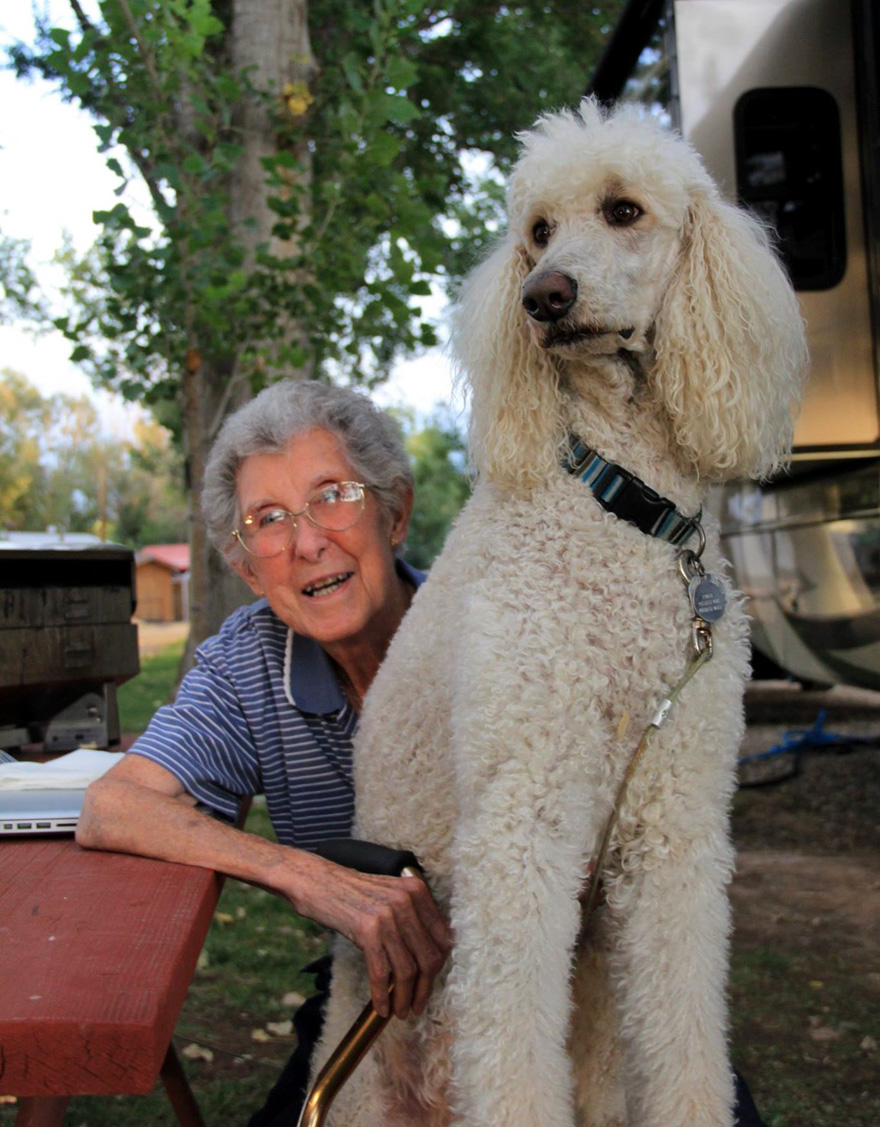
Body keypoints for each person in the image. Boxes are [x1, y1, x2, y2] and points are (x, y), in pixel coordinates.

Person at [77, 379, 452, 1125]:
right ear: (249, 569)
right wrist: (304, 876)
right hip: (373, 994)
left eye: (334, 494)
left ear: (396, 511)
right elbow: (111, 805)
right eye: (269, 519)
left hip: (560, 976)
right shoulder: (249, 664)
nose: (308, 541)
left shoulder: (484, 628)